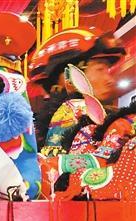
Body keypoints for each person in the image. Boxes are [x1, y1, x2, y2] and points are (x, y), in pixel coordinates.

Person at [29, 28, 125, 156]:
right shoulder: (71, 114)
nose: (109, 80)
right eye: (100, 69)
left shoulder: (97, 116)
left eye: (107, 70)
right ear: (68, 76)